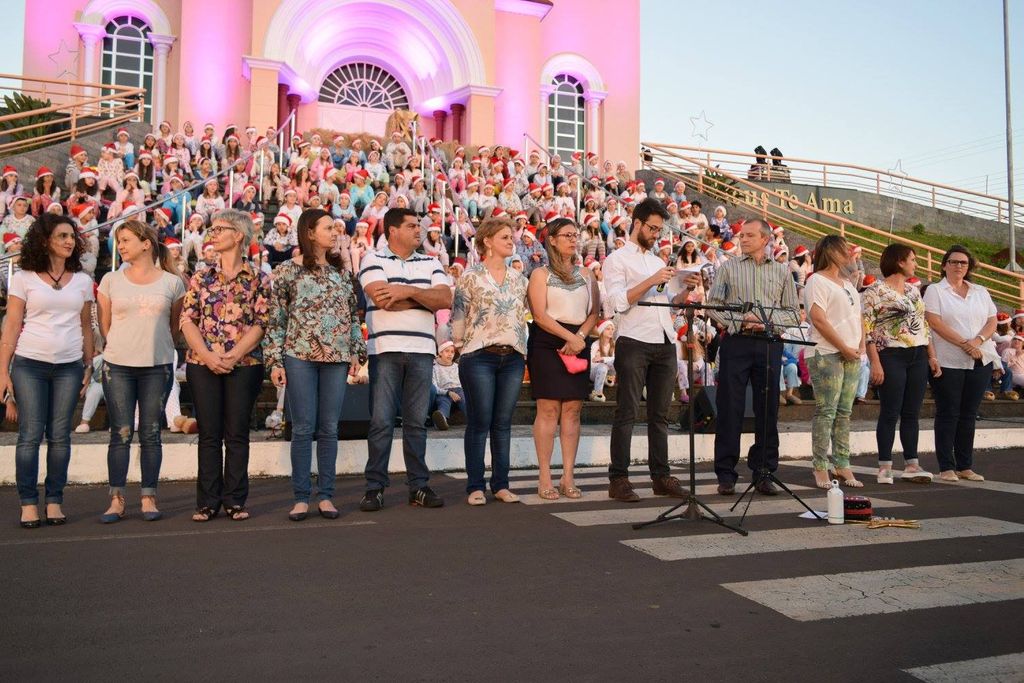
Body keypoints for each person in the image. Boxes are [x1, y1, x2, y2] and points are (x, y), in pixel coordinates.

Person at [265, 209, 366, 521]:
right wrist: (274, 360)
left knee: (329, 428)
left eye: (334, 227)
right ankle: (300, 497)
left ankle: (326, 495)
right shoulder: (286, 272)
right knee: (303, 427)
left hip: (336, 358)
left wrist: (356, 352)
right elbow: (277, 319)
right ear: (309, 232)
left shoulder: (343, 274)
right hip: (299, 356)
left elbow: (352, 318)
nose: (334, 232)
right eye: (327, 227)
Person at [0, 214, 94, 528]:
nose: (70, 241)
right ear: (45, 240)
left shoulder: (82, 279)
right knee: (29, 436)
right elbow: (11, 326)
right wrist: (3, 371)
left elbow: (86, 327)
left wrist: (89, 364)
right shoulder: (24, 277)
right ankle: (28, 503)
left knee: (59, 437)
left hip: (69, 366)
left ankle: (54, 500)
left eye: (72, 236)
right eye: (62, 236)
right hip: (29, 364)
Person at [602, 198, 698, 502]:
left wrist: (687, 288)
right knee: (626, 412)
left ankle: (661, 476)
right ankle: (618, 478)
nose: (656, 234)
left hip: (664, 340)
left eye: (660, 229)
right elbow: (617, 303)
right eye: (652, 228)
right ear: (638, 223)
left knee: (660, 415)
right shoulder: (617, 260)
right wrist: (651, 280)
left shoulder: (658, 262)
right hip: (633, 339)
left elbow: (668, 302)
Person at [358, 208, 452, 511]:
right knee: (381, 421)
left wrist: (403, 291)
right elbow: (382, 299)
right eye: (412, 226)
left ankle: (418, 487)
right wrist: (423, 298)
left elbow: (445, 300)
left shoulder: (431, 260)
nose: (419, 230)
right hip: (385, 348)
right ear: (393, 230)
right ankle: (374, 487)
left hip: (423, 350)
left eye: (419, 225)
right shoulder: (373, 258)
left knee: (416, 422)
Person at [180, 210, 269, 522]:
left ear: (239, 236)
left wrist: (232, 356)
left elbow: (261, 323)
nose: (212, 234)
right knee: (209, 434)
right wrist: (208, 355)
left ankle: (234, 500)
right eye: (211, 229)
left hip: (244, 364)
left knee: (237, 433)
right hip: (202, 363)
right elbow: (187, 320)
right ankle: (206, 502)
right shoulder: (200, 277)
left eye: (220, 229)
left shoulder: (258, 279)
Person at [96, 220, 186, 523]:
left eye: (126, 240)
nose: (120, 246)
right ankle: (117, 498)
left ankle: (149, 496)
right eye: (118, 241)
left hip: (157, 366)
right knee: (120, 433)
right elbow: (105, 325)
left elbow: (174, 327)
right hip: (118, 365)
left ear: (146, 243)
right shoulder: (110, 280)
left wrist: (158, 347)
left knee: (150, 433)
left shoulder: (172, 283)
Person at [705, 218, 800, 496]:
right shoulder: (728, 267)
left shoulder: (782, 272)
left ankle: (764, 471)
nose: (742, 239)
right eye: (741, 235)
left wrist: (766, 322)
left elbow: (792, 312)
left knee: (768, 407)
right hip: (736, 342)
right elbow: (712, 306)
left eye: (749, 235)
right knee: (730, 408)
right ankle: (726, 473)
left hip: (769, 343)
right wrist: (739, 321)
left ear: (765, 239)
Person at [451, 216, 529, 505]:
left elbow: (524, 315)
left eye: (512, 237)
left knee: (503, 423)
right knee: (479, 421)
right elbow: (458, 314)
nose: (512, 241)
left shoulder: (520, 279)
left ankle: (500, 484)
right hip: (478, 356)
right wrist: (460, 347)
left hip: (512, 358)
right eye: (505, 237)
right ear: (487, 241)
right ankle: (475, 486)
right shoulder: (471, 276)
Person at [526, 217, 600, 500]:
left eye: (575, 234)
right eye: (567, 235)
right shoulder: (540, 274)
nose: (573, 239)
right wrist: (569, 338)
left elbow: (594, 311)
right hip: (547, 340)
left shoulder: (587, 273)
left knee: (573, 410)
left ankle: (568, 475)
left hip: (579, 338)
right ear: (552, 239)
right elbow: (540, 315)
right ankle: (544, 475)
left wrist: (579, 336)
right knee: (547, 410)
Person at [862, 244, 939, 484]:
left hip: (917, 355)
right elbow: (867, 329)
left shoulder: (914, 291)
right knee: (890, 411)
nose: (916, 263)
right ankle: (884, 466)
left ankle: (912, 464)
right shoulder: (874, 290)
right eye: (913, 259)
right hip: (890, 355)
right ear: (899, 261)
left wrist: (932, 356)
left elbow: (924, 327)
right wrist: (875, 362)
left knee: (911, 413)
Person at [923, 245, 1000, 483]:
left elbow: (992, 320)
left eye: (963, 263)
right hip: (949, 360)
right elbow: (934, 321)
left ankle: (965, 465)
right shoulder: (935, 290)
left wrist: (976, 341)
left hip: (979, 358)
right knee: (948, 413)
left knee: (969, 414)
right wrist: (964, 343)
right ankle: (947, 466)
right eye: (954, 262)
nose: (959, 266)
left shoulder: (980, 291)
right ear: (944, 265)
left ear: (969, 267)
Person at [803, 236, 865, 489]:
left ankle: (842, 463)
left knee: (844, 412)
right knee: (826, 411)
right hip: (826, 352)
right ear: (832, 252)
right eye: (844, 250)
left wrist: (861, 345)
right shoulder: (816, 280)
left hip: (852, 352)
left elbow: (858, 315)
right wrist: (843, 347)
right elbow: (818, 318)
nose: (849, 254)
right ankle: (820, 467)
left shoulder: (847, 283)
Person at [430, 341, 464, 431]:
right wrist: (448, 392)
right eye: (447, 351)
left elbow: (462, 382)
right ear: (440, 352)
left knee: (464, 400)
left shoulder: (457, 367)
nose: (450, 354)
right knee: (443, 402)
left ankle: (477, 420)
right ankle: (441, 420)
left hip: (458, 390)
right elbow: (435, 387)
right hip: (444, 391)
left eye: (452, 352)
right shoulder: (434, 367)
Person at [590, 319, 616, 402]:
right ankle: (597, 392)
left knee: (617, 360)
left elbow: (617, 359)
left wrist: (602, 359)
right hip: (595, 372)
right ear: (602, 330)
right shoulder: (595, 345)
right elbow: (591, 362)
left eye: (612, 329)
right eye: (607, 329)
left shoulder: (614, 345)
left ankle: (609, 377)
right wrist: (602, 363)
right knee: (603, 367)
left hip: (609, 372)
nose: (611, 331)